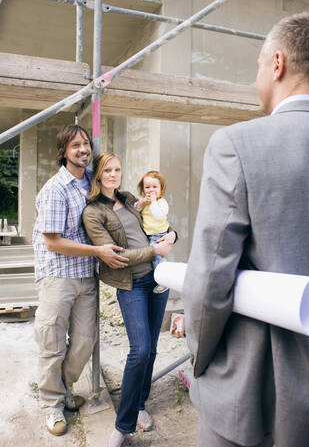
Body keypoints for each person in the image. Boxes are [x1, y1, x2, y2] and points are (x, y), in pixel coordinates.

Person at [183, 11, 309, 447]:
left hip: (257, 398)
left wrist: (198, 359)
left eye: (259, 65)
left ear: (277, 64)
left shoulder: (238, 145)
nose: (257, 76)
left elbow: (208, 284)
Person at [32, 124, 128, 437]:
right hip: (57, 275)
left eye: (86, 144)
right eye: (76, 145)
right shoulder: (55, 189)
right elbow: (53, 242)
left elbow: (113, 187)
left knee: (85, 341)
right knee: (52, 343)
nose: (83, 150)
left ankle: (62, 387)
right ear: (64, 152)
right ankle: (52, 404)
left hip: (85, 275)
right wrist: (98, 250)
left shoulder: (89, 180)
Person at [82, 152, 177, 447]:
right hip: (131, 283)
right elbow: (113, 256)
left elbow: (156, 228)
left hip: (158, 279)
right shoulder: (93, 212)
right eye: (107, 170)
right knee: (140, 348)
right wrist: (154, 253)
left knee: (152, 349)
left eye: (117, 169)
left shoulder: (130, 199)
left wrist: (173, 235)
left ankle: (139, 404)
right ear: (98, 174)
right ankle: (122, 427)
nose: (113, 174)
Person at [136, 170, 170, 293]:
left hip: (158, 234)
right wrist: (141, 203)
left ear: (161, 189)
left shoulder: (161, 203)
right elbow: (135, 210)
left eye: (155, 187)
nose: (151, 190)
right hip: (148, 234)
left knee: (156, 256)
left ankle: (164, 279)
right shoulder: (145, 202)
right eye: (147, 187)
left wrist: (154, 202)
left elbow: (158, 216)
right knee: (152, 257)